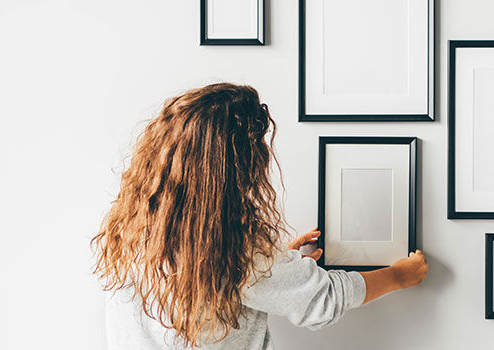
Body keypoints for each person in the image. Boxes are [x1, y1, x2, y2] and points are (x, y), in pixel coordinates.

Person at [91, 83, 428, 349]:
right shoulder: (234, 251)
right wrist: (399, 275)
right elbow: (323, 299)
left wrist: (279, 262)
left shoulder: (136, 225)